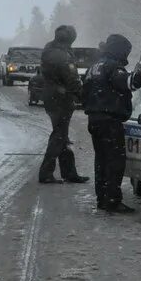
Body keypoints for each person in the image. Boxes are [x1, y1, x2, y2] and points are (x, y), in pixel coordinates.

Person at [81, 33, 141, 212]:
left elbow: (83, 91)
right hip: (109, 120)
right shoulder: (113, 66)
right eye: (125, 52)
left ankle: (102, 198)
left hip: (95, 119)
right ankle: (112, 200)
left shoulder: (94, 66)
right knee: (115, 161)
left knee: (101, 161)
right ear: (119, 50)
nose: (126, 56)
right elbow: (126, 82)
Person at [37, 24, 89, 184]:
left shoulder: (49, 49)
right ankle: (46, 172)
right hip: (61, 98)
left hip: (51, 96)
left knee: (62, 134)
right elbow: (72, 80)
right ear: (71, 39)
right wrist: (85, 98)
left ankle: (69, 172)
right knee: (59, 135)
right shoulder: (63, 55)